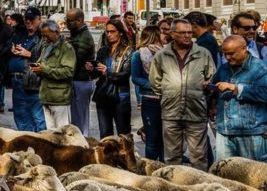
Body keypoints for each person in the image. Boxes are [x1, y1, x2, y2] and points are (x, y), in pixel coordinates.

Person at [149, 18, 216, 169]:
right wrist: (169, 93)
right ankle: (174, 187)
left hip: (196, 111)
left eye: (190, 32)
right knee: (172, 156)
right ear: (172, 34)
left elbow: (212, 77)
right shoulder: (161, 55)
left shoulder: (203, 53)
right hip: (171, 112)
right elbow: (155, 81)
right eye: (182, 32)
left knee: (199, 156)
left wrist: (204, 94)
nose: (187, 36)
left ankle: (199, 188)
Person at [210, 34, 267, 162]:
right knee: (223, 175)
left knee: (253, 177)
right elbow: (215, 87)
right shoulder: (224, 68)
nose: (227, 57)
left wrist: (235, 88)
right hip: (225, 131)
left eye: (231, 53)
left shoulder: (262, 69)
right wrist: (209, 88)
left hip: (251, 133)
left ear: (244, 49)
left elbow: (264, 94)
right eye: (225, 54)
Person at [30, 19, 75, 130]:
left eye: (46, 35)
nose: (44, 38)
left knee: (62, 132)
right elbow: (42, 63)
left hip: (59, 98)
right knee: (51, 133)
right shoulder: (46, 47)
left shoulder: (67, 49)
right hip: (46, 96)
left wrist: (44, 70)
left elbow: (68, 71)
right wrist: (37, 67)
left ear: (56, 32)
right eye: (42, 35)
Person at [93, 19, 133, 137]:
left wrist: (107, 72)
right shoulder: (103, 50)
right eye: (107, 32)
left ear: (120, 32)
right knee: (105, 136)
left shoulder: (128, 51)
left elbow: (125, 75)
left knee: (124, 135)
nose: (109, 34)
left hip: (120, 97)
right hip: (103, 95)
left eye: (112, 31)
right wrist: (92, 69)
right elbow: (96, 75)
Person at [7, 8, 45, 132]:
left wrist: (30, 54)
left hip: (32, 81)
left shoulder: (42, 37)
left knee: (37, 117)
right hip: (16, 81)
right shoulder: (20, 34)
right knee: (20, 114)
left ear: (39, 19)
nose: (28, 21)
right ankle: (27, 141)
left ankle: (40, 143)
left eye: (32, 19)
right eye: (26, 19)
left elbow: (48, 58)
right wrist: (11, 50)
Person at [131, 25, 164, 161]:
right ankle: (150, 164)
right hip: (150, 98)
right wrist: (154, 85)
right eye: (161, 33)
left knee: (166, 136)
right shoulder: (139, 54)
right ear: (154, 35)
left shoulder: (166, 52)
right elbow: (135, 77)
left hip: (168, 98)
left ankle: (164, 163)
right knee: (152, 136)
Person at [66, 8, 96, 137]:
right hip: (78, 80)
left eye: (70, 20)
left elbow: (75, 61)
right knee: (77, 117)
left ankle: (81, 144)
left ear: (79, 20)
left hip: (80, 81)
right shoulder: (77, 34)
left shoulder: (83, 37)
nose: (67, 23)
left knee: (80, 119)